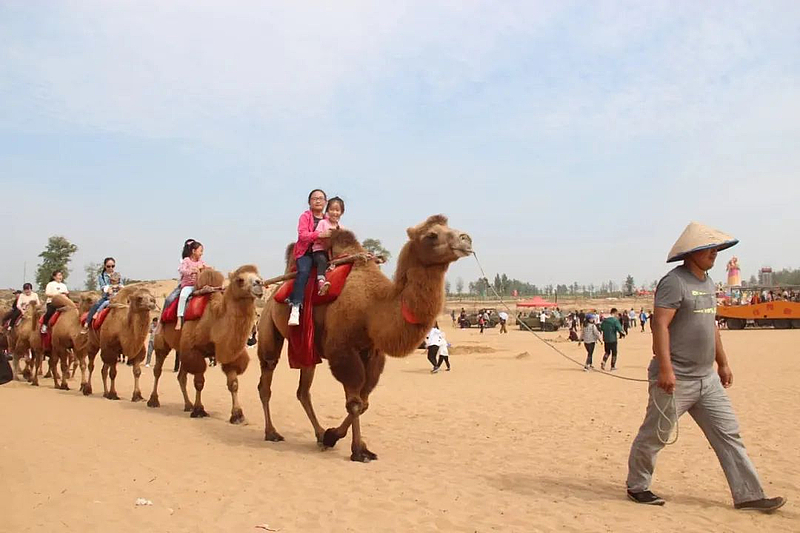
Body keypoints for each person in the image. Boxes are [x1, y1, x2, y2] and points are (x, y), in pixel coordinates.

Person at [626, 222, 785, 512]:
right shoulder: (675, 282)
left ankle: (749, 495)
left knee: (729, 434)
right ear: (691, 252)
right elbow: (660, 324)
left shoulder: (709, 283)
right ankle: (638, 486)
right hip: (676, 377)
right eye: (708, 249)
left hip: (707, 379)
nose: (715, 253)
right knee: (656, 434)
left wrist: (722, 363)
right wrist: (665, 369)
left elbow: (711, 325)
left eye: (716, 249)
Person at [287, 189, 333, 327]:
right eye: (314, 198)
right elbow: (302, 235)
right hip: (306, 253)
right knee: (303, 272)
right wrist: (319, 235)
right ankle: (295, 306)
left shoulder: (328, 219)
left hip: (321, 253)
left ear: (325, 202)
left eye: (320, 198)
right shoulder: (305, 217)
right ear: (309, 202)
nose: (318, 201)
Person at [311, 196, 345, 296]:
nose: (334, 212)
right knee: (322, 260)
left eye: (337, 210)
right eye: (332, 209)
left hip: (334, 255)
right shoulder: (323, 223)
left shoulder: (342, 228)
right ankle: (321, 283)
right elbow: (316, 236)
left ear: (341, 212)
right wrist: (324, 235)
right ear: (327, 210)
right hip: (320, 251)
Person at [83, 258, 124, 332]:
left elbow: (121, 285)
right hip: (107, 297)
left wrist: (119, 287)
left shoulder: (117, 274)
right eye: (108, 266)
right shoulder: (101, 276)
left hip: (118, 297)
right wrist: (108, 289)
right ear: (105, 266)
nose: (111, 268)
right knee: (96, 305)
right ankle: (87, 323)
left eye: (113, 266)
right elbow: (103, 287)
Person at [175, 240, 207, 331]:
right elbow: (182, 270)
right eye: (200, 251)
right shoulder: (186, 260)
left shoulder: (201, 261)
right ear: (193, 251)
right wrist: (193, 270)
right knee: (183, 296)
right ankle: (179, 318)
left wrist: (207, 268)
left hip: (199, 285)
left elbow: (205, 267)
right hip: (188, 285)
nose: (201, 253)